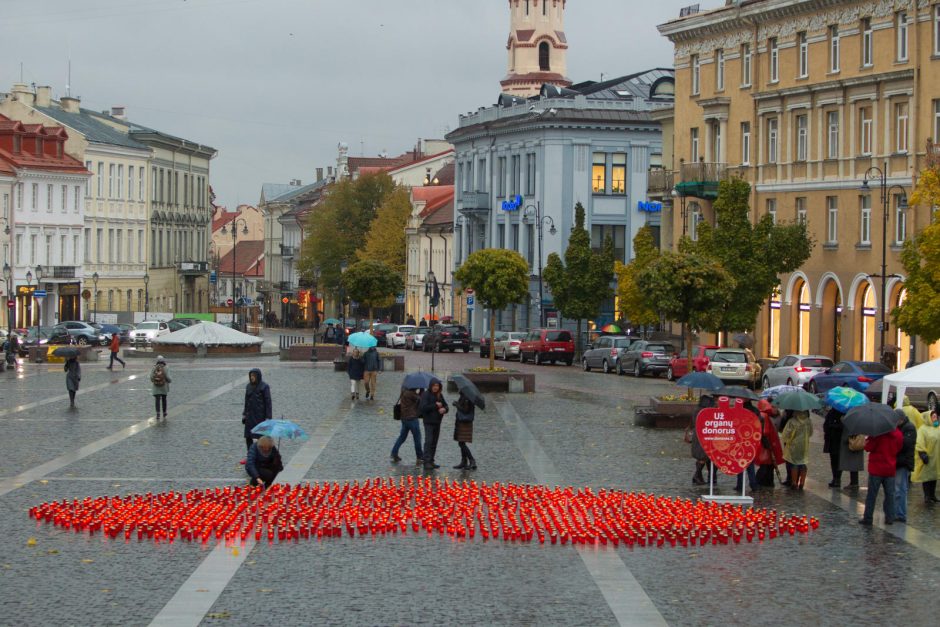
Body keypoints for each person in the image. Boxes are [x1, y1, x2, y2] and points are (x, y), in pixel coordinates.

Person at [860, 426, 903, 525]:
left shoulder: (877, 433)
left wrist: (867, 441)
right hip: (890, 468)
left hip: (876, 468)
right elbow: (899, 448)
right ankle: (889, 518)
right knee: (889, 495)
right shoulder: (898, 434)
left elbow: (868, 447)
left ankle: (868, 518)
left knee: (872, 495)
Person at [419, 378, 448, 470]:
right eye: (434, 386)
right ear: (431, 386)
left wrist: (445, 409)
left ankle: (431, 460)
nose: (435, 387)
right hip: (428, 422)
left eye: (437, 386)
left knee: (434, 442)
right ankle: (426, 461)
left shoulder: (440, 395)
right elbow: (423, 408)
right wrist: (435, 406)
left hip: (437, 422)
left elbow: (446, 406)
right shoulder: (425, 395)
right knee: (429, 441)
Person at [895, 408, 918, 523]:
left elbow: (905, 444)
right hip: (898, 462)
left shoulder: (909, 428)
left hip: (903, 463)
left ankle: (901, 514)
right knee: (897, 489)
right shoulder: (900, 427)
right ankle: (896, 512)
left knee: (901, 489)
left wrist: (895, 437)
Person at [755, 399, 784, 488]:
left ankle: (767, 482)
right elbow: (766, 431)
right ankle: (760, 482)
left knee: (769, 464)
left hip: (768, 443)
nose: (774, 409)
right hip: (767, 444)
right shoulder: (765, 416)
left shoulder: (764, 415)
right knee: (766, 464)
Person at [913, 409, 940, 504]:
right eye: (933, 417)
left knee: (934, 476)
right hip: (928, 457)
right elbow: (919, 443)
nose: (935, 419)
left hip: (936, 457)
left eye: (936, 417)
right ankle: (927, 496)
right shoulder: (923, 429)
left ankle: (932, 495)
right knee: (926, 477)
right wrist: (923, 454)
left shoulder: (938, 428)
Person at [242, 368, 272, 452]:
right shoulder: (248, 386)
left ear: (257, 376)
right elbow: (246, 401)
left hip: (260, 416)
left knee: (260, 436)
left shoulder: (264, 386)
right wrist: (244, 414)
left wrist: (268, 417)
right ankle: (250, 453)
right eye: (251, 375)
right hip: (249, 415)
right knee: (248, 436)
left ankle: (260, 453)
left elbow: (268, 402)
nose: (252, 377)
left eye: (253, 376)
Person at [781, 410, 813, 490]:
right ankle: (802, 482)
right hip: (804, 445)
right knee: (803, 462)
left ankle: (794, 482)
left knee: (794, 463)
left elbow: (786, 434)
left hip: (793, 445)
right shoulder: (808, 421)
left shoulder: (792, 421)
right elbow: (811, 433)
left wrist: (786, 441)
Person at [391, 387, 423, 464]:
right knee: (417, 437)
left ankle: (394, 453)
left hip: (404, 418)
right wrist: (422, 391)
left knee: (402, 437)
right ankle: (420, 456)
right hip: (412, 418)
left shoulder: (404, 390)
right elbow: (420, 400)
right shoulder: (411, 393)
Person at [689, 394, 715, 485]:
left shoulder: (697, 410)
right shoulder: (706, 412)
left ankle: (698, 477)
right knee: (703, 457)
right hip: (704, 436)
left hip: (697, 435)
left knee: (702, 457)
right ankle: (696, 476)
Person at [735, 400, 760, 492]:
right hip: (752, 440)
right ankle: (753, 484)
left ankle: (740, 485)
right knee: (750, 464)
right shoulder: (755, 411)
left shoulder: (740, 411)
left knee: (740, 463)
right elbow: (760, 423)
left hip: (741, 440)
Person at [838, 413, 864, 491]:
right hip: (857, 444)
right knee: (854, 466)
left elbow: (846, 436)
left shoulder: (848, 421)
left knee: (852, 465)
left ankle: (854, 483)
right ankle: (854, 482)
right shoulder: (861, 419)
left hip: (852, 445)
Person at [823, 406, 847, 488]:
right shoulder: (832, 413)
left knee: (837, 460)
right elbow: (826, 425)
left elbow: (844, 427)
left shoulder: (844, 414)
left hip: (838, 440)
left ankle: (837, 479)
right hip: (833, 440)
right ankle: (835, 478)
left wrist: (834, 426)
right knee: (834, 460)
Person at [452, 392, 477, 470]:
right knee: (462, 442)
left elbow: (465, 410)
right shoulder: (465, 396)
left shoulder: (467, 397)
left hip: (464, 423)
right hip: (462, 422)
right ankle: (464, 461)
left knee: (461, 443)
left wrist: (457, 404)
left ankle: (472, 460)